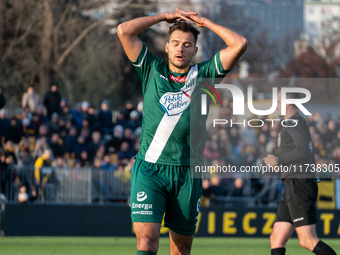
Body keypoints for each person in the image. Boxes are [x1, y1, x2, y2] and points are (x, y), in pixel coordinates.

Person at [118, 8, 247, 255]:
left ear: (195, 50)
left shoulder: (206, 74)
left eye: (187, 45)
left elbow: (239, 43)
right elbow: (124, 31)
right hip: (151, 168)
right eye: (175, 43)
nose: (180, 49)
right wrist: (162, 16)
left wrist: (206, 22)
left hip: (188, 173)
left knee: (181, 250)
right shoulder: (151, 69)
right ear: (166, 47)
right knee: (146, 242)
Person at [263, 92, 337, 255]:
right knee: (277, 238)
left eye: (278, 100)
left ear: (288, 102)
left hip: (299, 185)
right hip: (292, 184)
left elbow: (302, 150)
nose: (276, 104)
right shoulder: (295, 121)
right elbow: (302, 154)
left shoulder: (294, 121)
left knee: (307, 240)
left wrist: (277, 160)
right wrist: (281, 166)